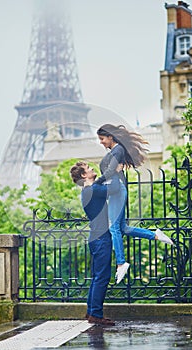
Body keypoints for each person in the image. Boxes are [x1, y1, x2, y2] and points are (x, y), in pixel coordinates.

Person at [95, 124, 174, 284]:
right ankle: (156, 235)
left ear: (110, 136)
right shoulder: (114, 151)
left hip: (117, 190)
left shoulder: (118, 150)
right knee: (122, 228)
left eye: (102, 139)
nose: (101, 142)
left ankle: (121, 262)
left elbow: (110, 172)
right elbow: (111, 171)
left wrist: (96, 183)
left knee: (113, 228)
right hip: (115, 189)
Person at [70, 161, 122, 326]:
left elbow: (101, 182)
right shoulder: (93, 190)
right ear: (84, 175)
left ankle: (92, 311)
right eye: (89, 169)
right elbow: (113, 188)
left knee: (96, 277)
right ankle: (96, 315)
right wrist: (116, 172)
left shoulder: (88, 191)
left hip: (95, 238)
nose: (92, 169)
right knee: (102, 277)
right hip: (101, 239)